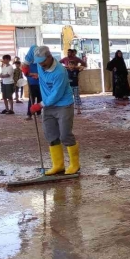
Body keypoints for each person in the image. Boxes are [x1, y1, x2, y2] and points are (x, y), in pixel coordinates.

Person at [24, 45, 80, 176]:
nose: (41, 65)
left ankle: (75, 164)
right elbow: (32, 48)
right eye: (38, 62)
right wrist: (25, 64)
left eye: (43, 62)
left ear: (49, 57)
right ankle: (58, 165)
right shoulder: (39, 58)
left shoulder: (59, 72)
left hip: (63, 105)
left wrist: (40, 105)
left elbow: (56, 94)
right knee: (51, 135)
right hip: (48, 107)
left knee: (65, 135)